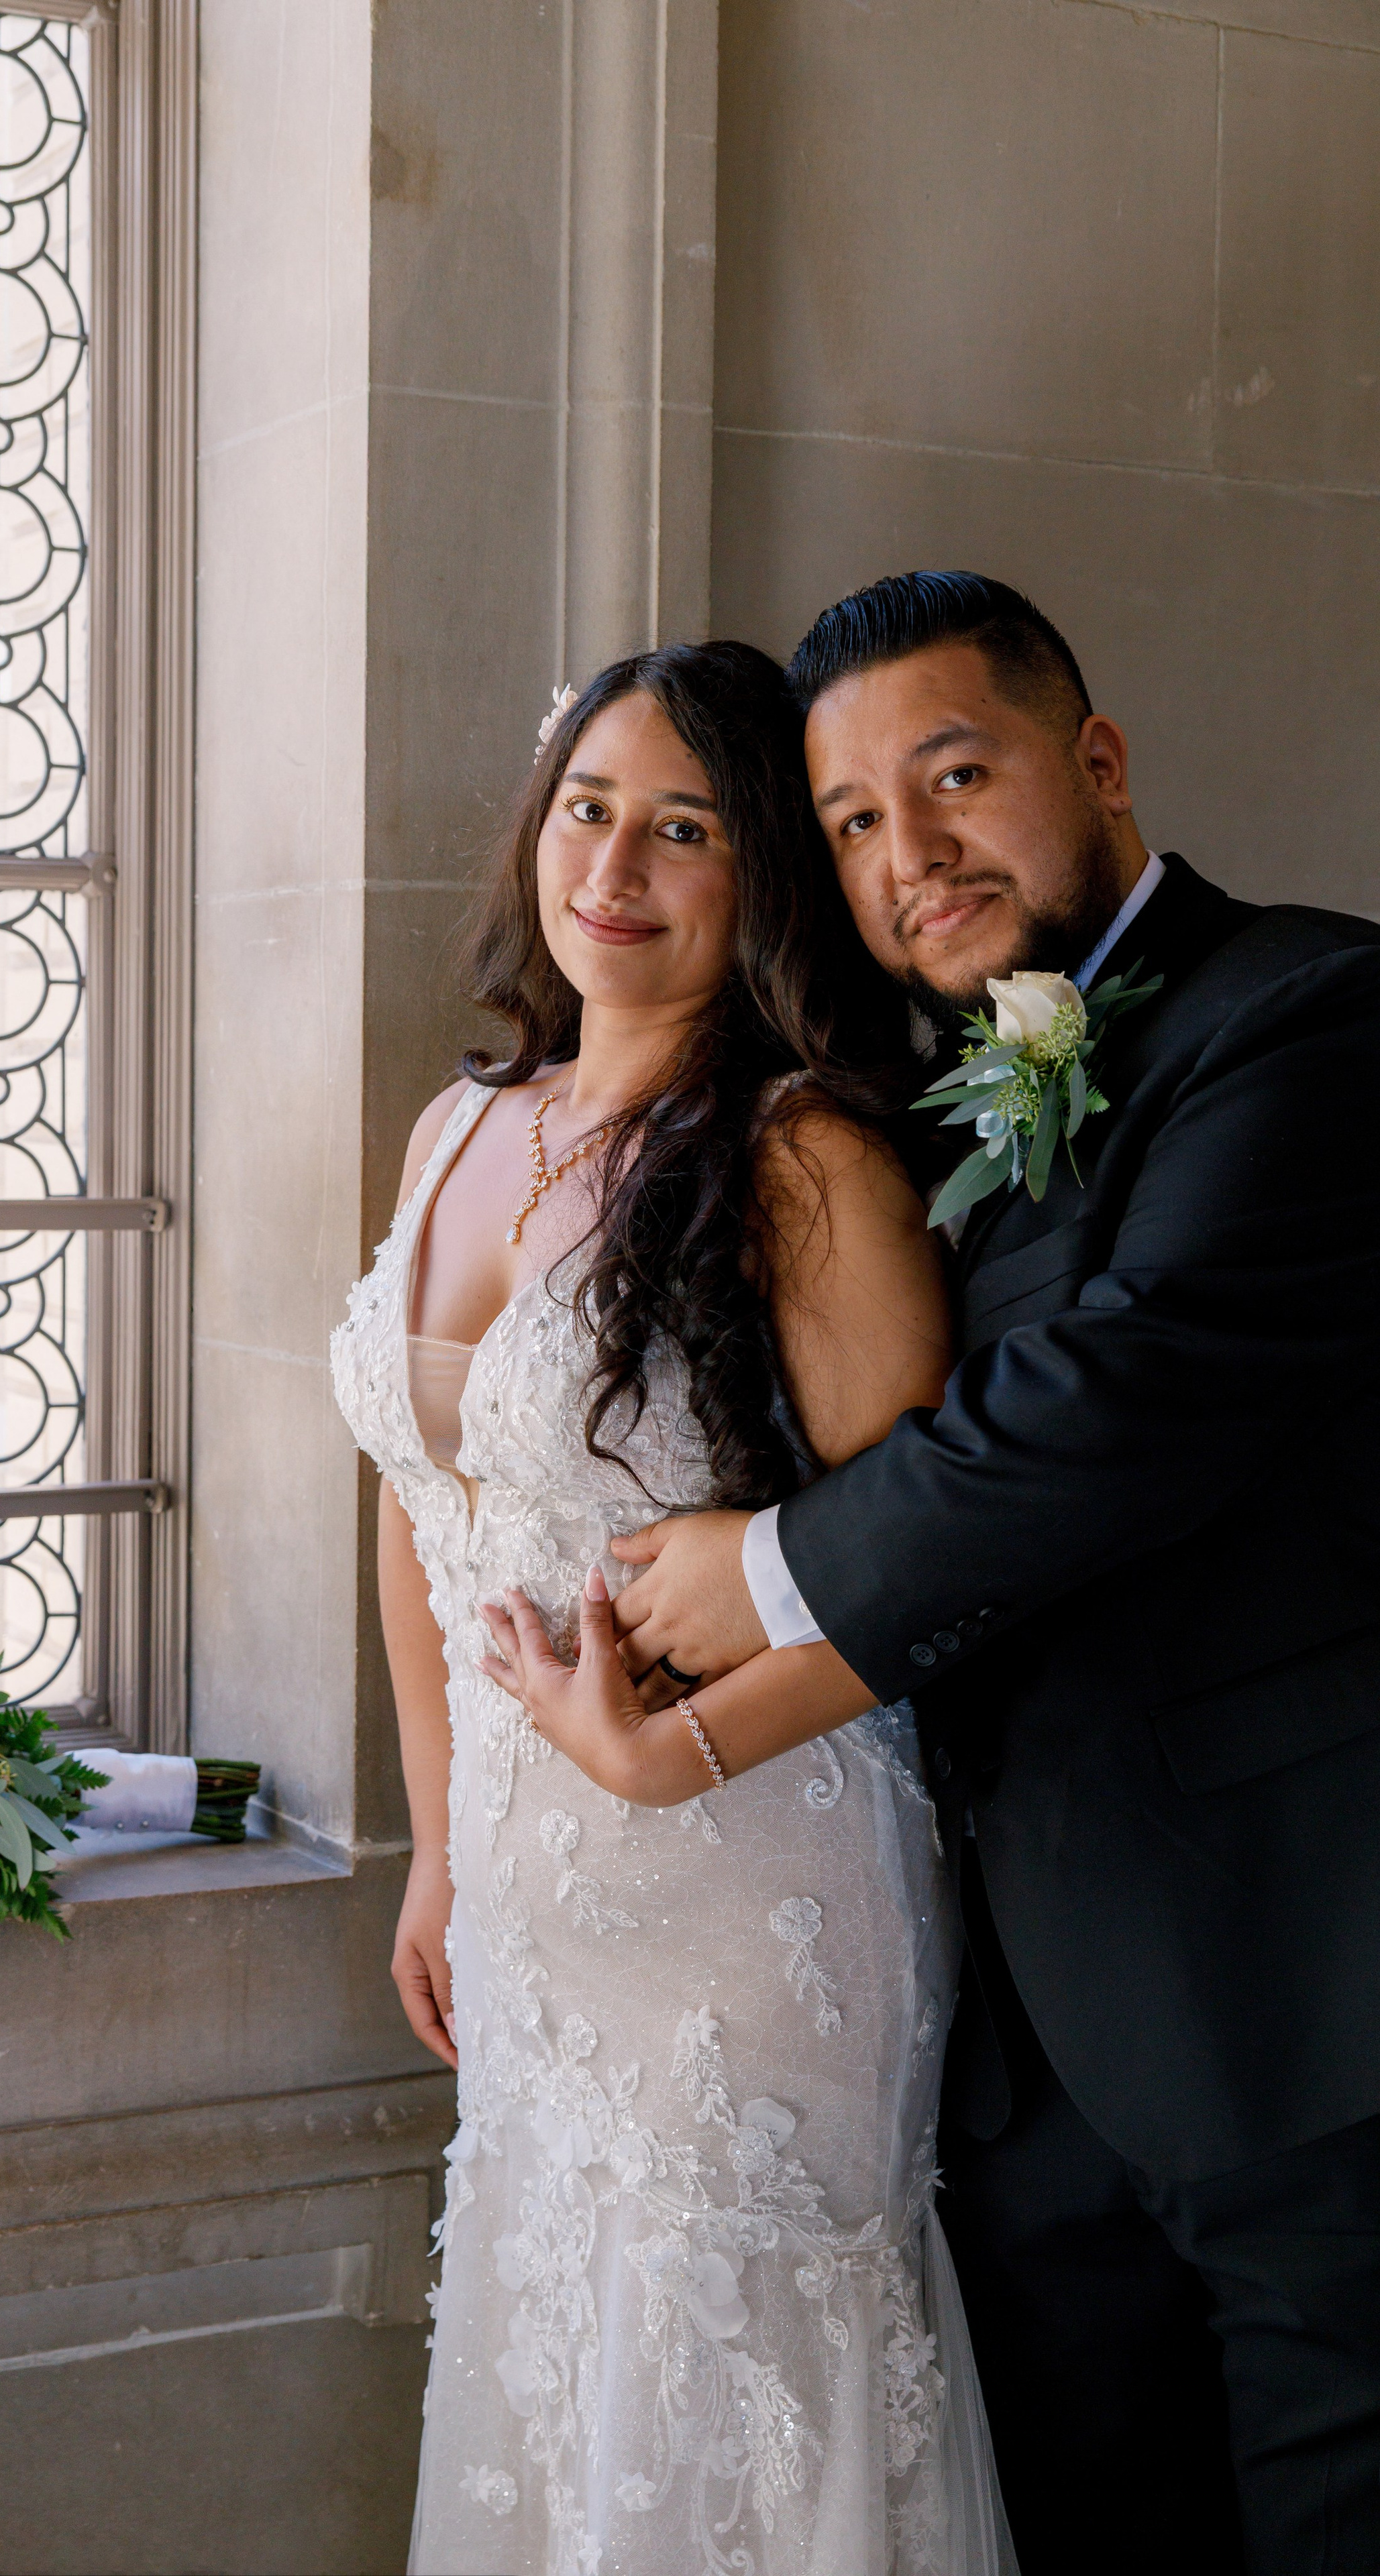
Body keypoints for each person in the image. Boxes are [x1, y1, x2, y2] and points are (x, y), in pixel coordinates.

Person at [496, 575, 1380, 2574]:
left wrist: (766, 1574)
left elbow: (1116, 1402)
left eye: (956, 777)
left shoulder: (1313, 1011)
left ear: (1099, 760)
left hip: (1298, 2008)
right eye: (856, 821)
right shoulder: (930, 1093)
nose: (915, 851)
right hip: (1016, 2061)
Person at [331, 640, 1016, 2575]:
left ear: (764, 870)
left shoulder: (800, 1156)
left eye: (685, 827)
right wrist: (441, 1850)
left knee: (735, 2434)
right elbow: (420, 1510)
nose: (614, 865)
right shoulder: (462, 1124)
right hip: (531, 1910)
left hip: (752, 1899)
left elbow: (929, 1570)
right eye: (588, 808)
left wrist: (675, 1751)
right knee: (570, 2424)